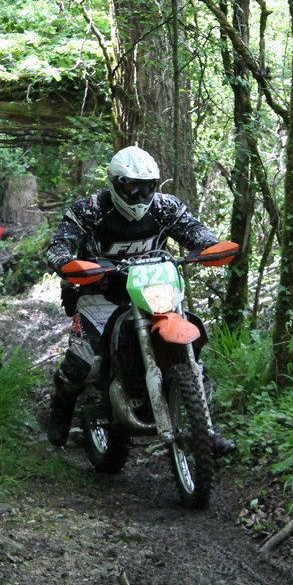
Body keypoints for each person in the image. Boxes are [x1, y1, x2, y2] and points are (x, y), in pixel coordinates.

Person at [46, 145, 236, 455]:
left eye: (146, 187)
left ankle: (206, 428)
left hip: (156, 291)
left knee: (192, 353)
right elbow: (58, 247)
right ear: (116, 184)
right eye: (132, 187)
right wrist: (68, 264)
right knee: (82, 364)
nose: (139, 195)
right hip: (102, 294)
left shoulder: (165, 207)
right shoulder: (90, 209)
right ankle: (61, 406)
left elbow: (195, 231)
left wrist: (209, 246)